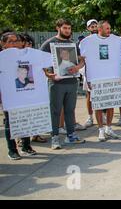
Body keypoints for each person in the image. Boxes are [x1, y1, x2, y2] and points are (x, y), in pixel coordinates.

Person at [41, 19, 86, 149]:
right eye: (65, 28)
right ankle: (54, 138)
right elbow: (39, 62)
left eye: (69, 28)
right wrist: (48, 74)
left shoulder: (73, 44)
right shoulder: (49, 43)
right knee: (55, 111)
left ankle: (70, 135)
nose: (67, 30)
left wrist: (77, 67)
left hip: (72, 81)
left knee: (70, 110)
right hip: (56, 83)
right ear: (58, 28)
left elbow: (81, 61)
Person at [80, 20, 121, 142]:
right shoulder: (87, 42)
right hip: (96, 78)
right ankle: (100, 130)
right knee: (98, 105)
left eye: (110, 28)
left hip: (113, 77)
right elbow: (84, 61)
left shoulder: (117, 41)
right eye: (107, 29)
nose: (109, 31)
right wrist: (88, 78)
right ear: (99, 29)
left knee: (111, 104)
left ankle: (108, 128)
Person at [0, 32, 37, 160]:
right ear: (3, 44)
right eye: (10, 41)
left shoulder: (24, 57)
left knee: (26, 119)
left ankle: (26, 146)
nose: (14, 44)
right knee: (10, 122)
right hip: (8, 97)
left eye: (16, 41)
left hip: (24, 95)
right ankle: (12, 150)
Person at [80, 19, 98, 128]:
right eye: (92, 26)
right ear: (88, 28)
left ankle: (103, 115)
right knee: (89, 95)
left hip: (101, 72)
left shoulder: (104, 39)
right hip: (89, 71)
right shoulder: (84, 42)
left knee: (102, 94)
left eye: (95, 26)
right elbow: (81, 57)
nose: (94, 28)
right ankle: (90, 117)